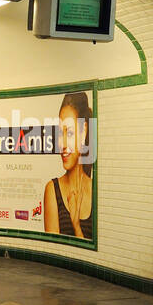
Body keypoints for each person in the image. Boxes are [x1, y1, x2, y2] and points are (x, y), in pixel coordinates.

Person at [42, 91, 94, 240]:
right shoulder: (52, 190)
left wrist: (76, 224)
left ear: (83, 132)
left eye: (69, 133)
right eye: (60, 133)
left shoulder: (95, 191)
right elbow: (53, 252)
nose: (62, 144)